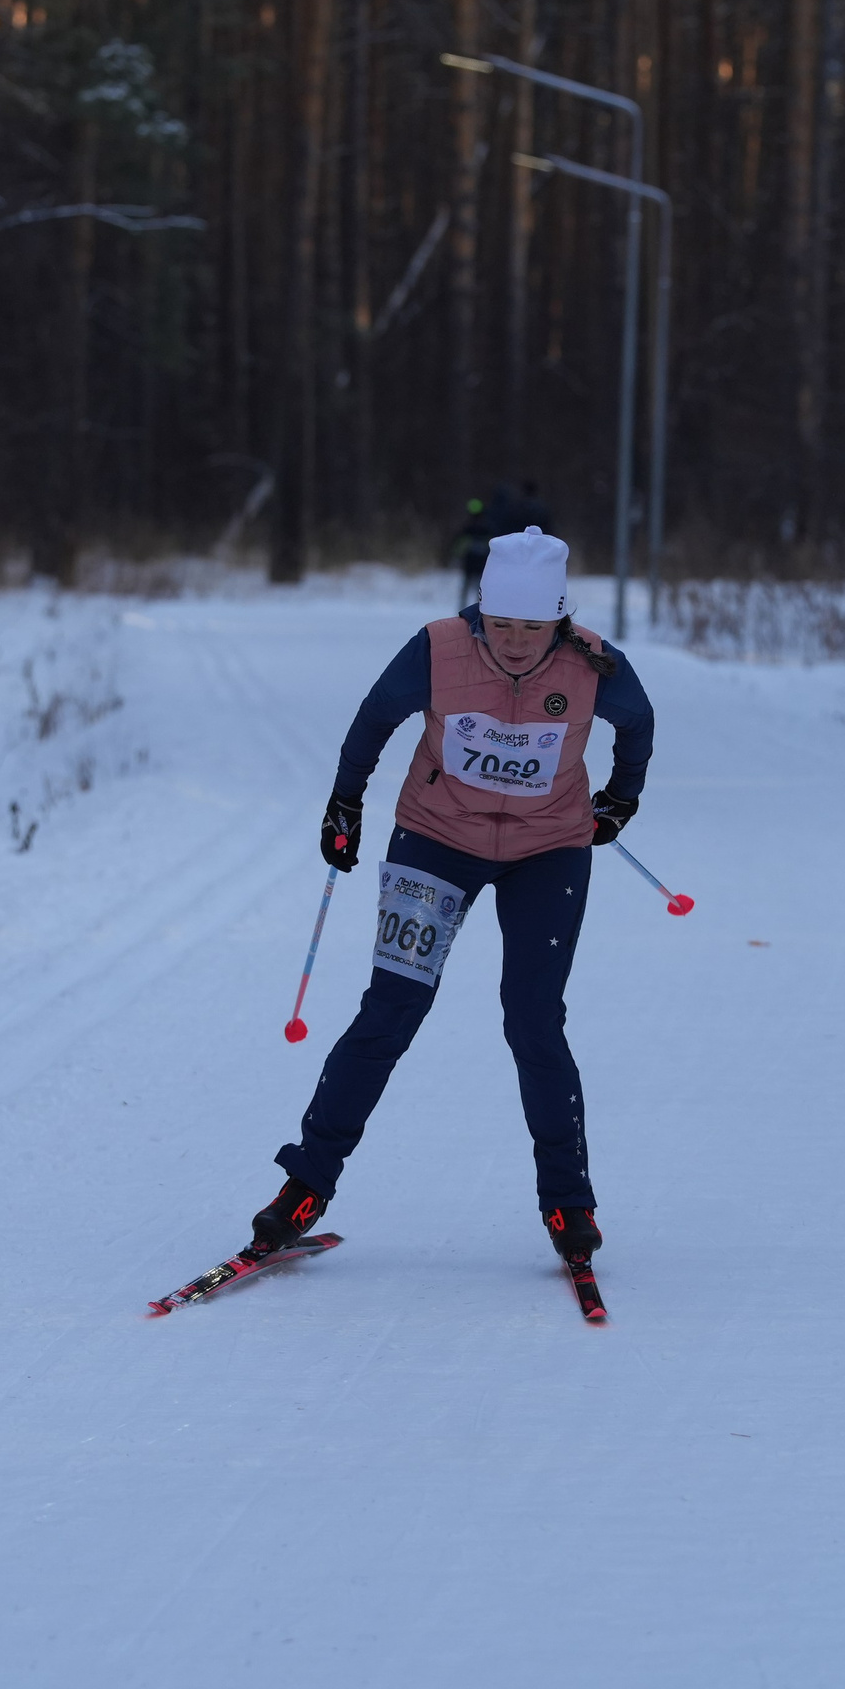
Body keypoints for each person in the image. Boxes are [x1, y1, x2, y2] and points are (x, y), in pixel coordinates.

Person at [247, 526, 655, 1272]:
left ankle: (569, 1199)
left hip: (547, 850)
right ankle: (304, 1184)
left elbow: (640, 724)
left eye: (533, 627)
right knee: (392, 1007)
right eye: (500, 624)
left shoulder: (594, 662)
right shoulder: (437, 647)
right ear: (481, 609)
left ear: (558, 620)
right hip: (436, 839)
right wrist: (346, 805)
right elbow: (373, 720)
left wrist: (620, 799)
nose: (516, 642)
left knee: (534, 1019)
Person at [451, 481, 552, 607]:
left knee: (475, 587)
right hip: (531, 551)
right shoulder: (536, 509)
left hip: (490, 556)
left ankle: (476, 610)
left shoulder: (496, 513)